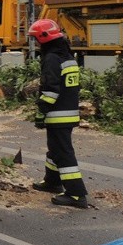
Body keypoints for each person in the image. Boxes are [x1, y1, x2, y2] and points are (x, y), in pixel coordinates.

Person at [27, 19, 88, 209]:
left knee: (63, 153)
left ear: (44, 38)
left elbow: (50, 90)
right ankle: (52, 181)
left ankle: (76, 194)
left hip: (58, 113)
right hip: (68, 111)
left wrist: (40, 112)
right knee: (55, 149)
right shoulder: (67, 56)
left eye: (36, 39)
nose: (36, 43)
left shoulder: (52, 58)